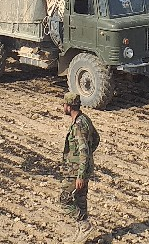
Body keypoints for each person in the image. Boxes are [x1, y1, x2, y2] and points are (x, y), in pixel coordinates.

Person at [59, 91, 99, 243]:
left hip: (76, 171)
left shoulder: (78, 126)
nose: (62, 107)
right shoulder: (85, 119)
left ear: (69, 107)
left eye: (64, 105)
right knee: (80, 201)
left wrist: (81, 174)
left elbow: (83, 149)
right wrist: (88, 159)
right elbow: (96, 139)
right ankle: (80, 234)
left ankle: (84, 225)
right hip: (83, 167)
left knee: (65, 199)